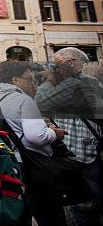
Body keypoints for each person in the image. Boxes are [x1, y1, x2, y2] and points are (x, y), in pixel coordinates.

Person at [0, 61, 65, 225]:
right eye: (29, 79)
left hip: (6, 167)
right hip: (33, 166)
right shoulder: (22, 99)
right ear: (15, 80)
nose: (33, 82)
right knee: (51, 216)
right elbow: (36, 136)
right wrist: (54, 133)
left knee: (21, 213)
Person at [34, 48, 102, 226]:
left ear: (72, 63)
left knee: (86, 207)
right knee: (83, 204)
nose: (53, 69)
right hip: (76, 152)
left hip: (84, 154)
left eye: (56, 66)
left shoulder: (79, 84)